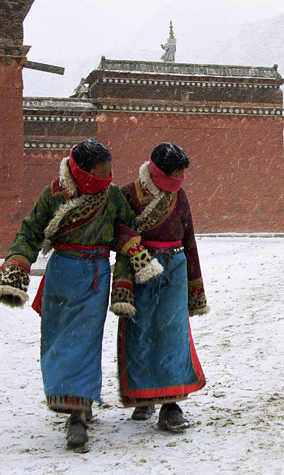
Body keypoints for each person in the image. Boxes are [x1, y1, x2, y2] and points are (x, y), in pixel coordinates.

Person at [0, 139, 162, 449]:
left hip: (95, 275)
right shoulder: (54, 194)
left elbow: (126, 229)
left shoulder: (111, 198)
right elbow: (30, 231)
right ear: (80, 172)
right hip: (61, 276)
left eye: (110, 173)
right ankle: (73, 400)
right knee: (57, 341)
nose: (107, 180)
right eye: (99, 174)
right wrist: (16, 268)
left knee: (85, 341)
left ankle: (78, 413)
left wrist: (130, 264)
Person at [116, 142, 208, 432]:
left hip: (176, 270)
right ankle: (145, 395)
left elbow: (189, 238)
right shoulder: (129, 194)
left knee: (172, 334)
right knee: (140, 333)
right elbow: (116, 229)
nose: (179, 182)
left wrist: (195, 286)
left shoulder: (179, 196)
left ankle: (171, 405)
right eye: (175, 175)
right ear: (157, 171)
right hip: (141, 270)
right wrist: (133, 247)